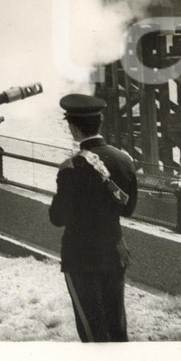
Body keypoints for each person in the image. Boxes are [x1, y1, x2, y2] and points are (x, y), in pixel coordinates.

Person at [48, 93, 138, 343]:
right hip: (114, 253)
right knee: (117, 327)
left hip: (81, 258)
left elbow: (57, 218)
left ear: (73, 128)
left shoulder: (70, 168)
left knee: (91, 330)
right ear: (100, 124)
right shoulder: (124, 161)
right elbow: (128, 210)